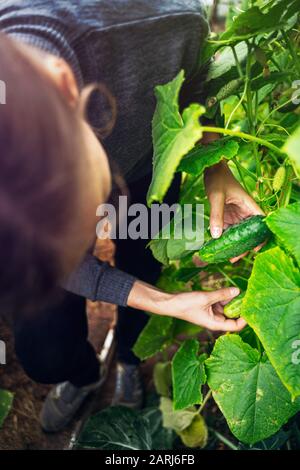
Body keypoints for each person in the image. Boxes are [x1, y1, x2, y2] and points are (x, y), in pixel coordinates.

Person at [0, 0, 263, 433]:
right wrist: (165, 302)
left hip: (144, 172)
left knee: (142, 255)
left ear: (66, 87)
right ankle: (83, 374)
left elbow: (194, 91)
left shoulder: (174, 20)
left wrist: (217, 164)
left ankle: (126, 356)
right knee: (44, 350)